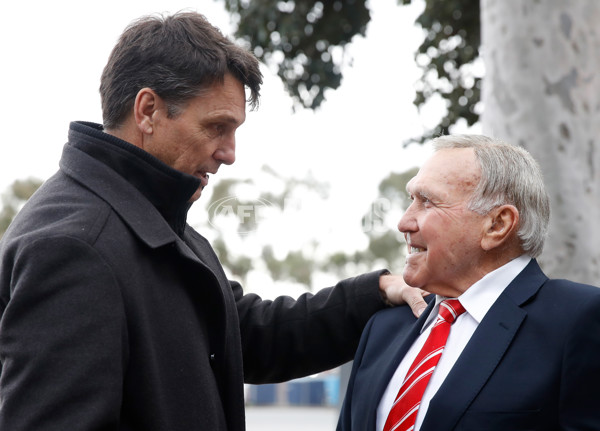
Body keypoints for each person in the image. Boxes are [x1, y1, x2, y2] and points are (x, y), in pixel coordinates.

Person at [0, 12, 427, 431]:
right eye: (217, 127)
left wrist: (373, 292)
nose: (230, 153)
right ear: (148, 110)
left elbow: (252, 336)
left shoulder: (153, 225)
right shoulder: (76, 247)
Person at [337, 134, 600, 431]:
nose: (404, 223)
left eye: (427, 202)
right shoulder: (383, 328)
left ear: (497, 225)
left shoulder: (580, 319)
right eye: (412, 200)